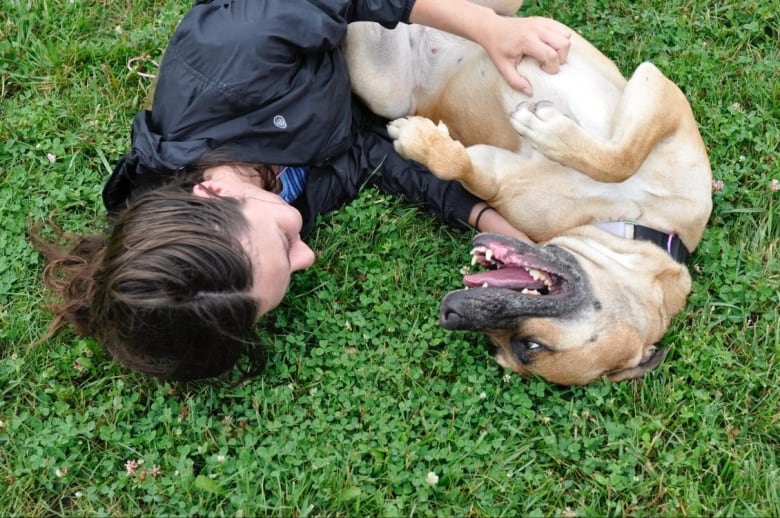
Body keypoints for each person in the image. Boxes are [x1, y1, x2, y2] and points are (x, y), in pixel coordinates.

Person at [34, 0, 571, 381]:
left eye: (286, 243)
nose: (308, 253)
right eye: (292, 262)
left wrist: (486, 27)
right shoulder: (267, 203)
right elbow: (365, 154)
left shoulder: (231, 58)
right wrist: (489, 221)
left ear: (215, 193)